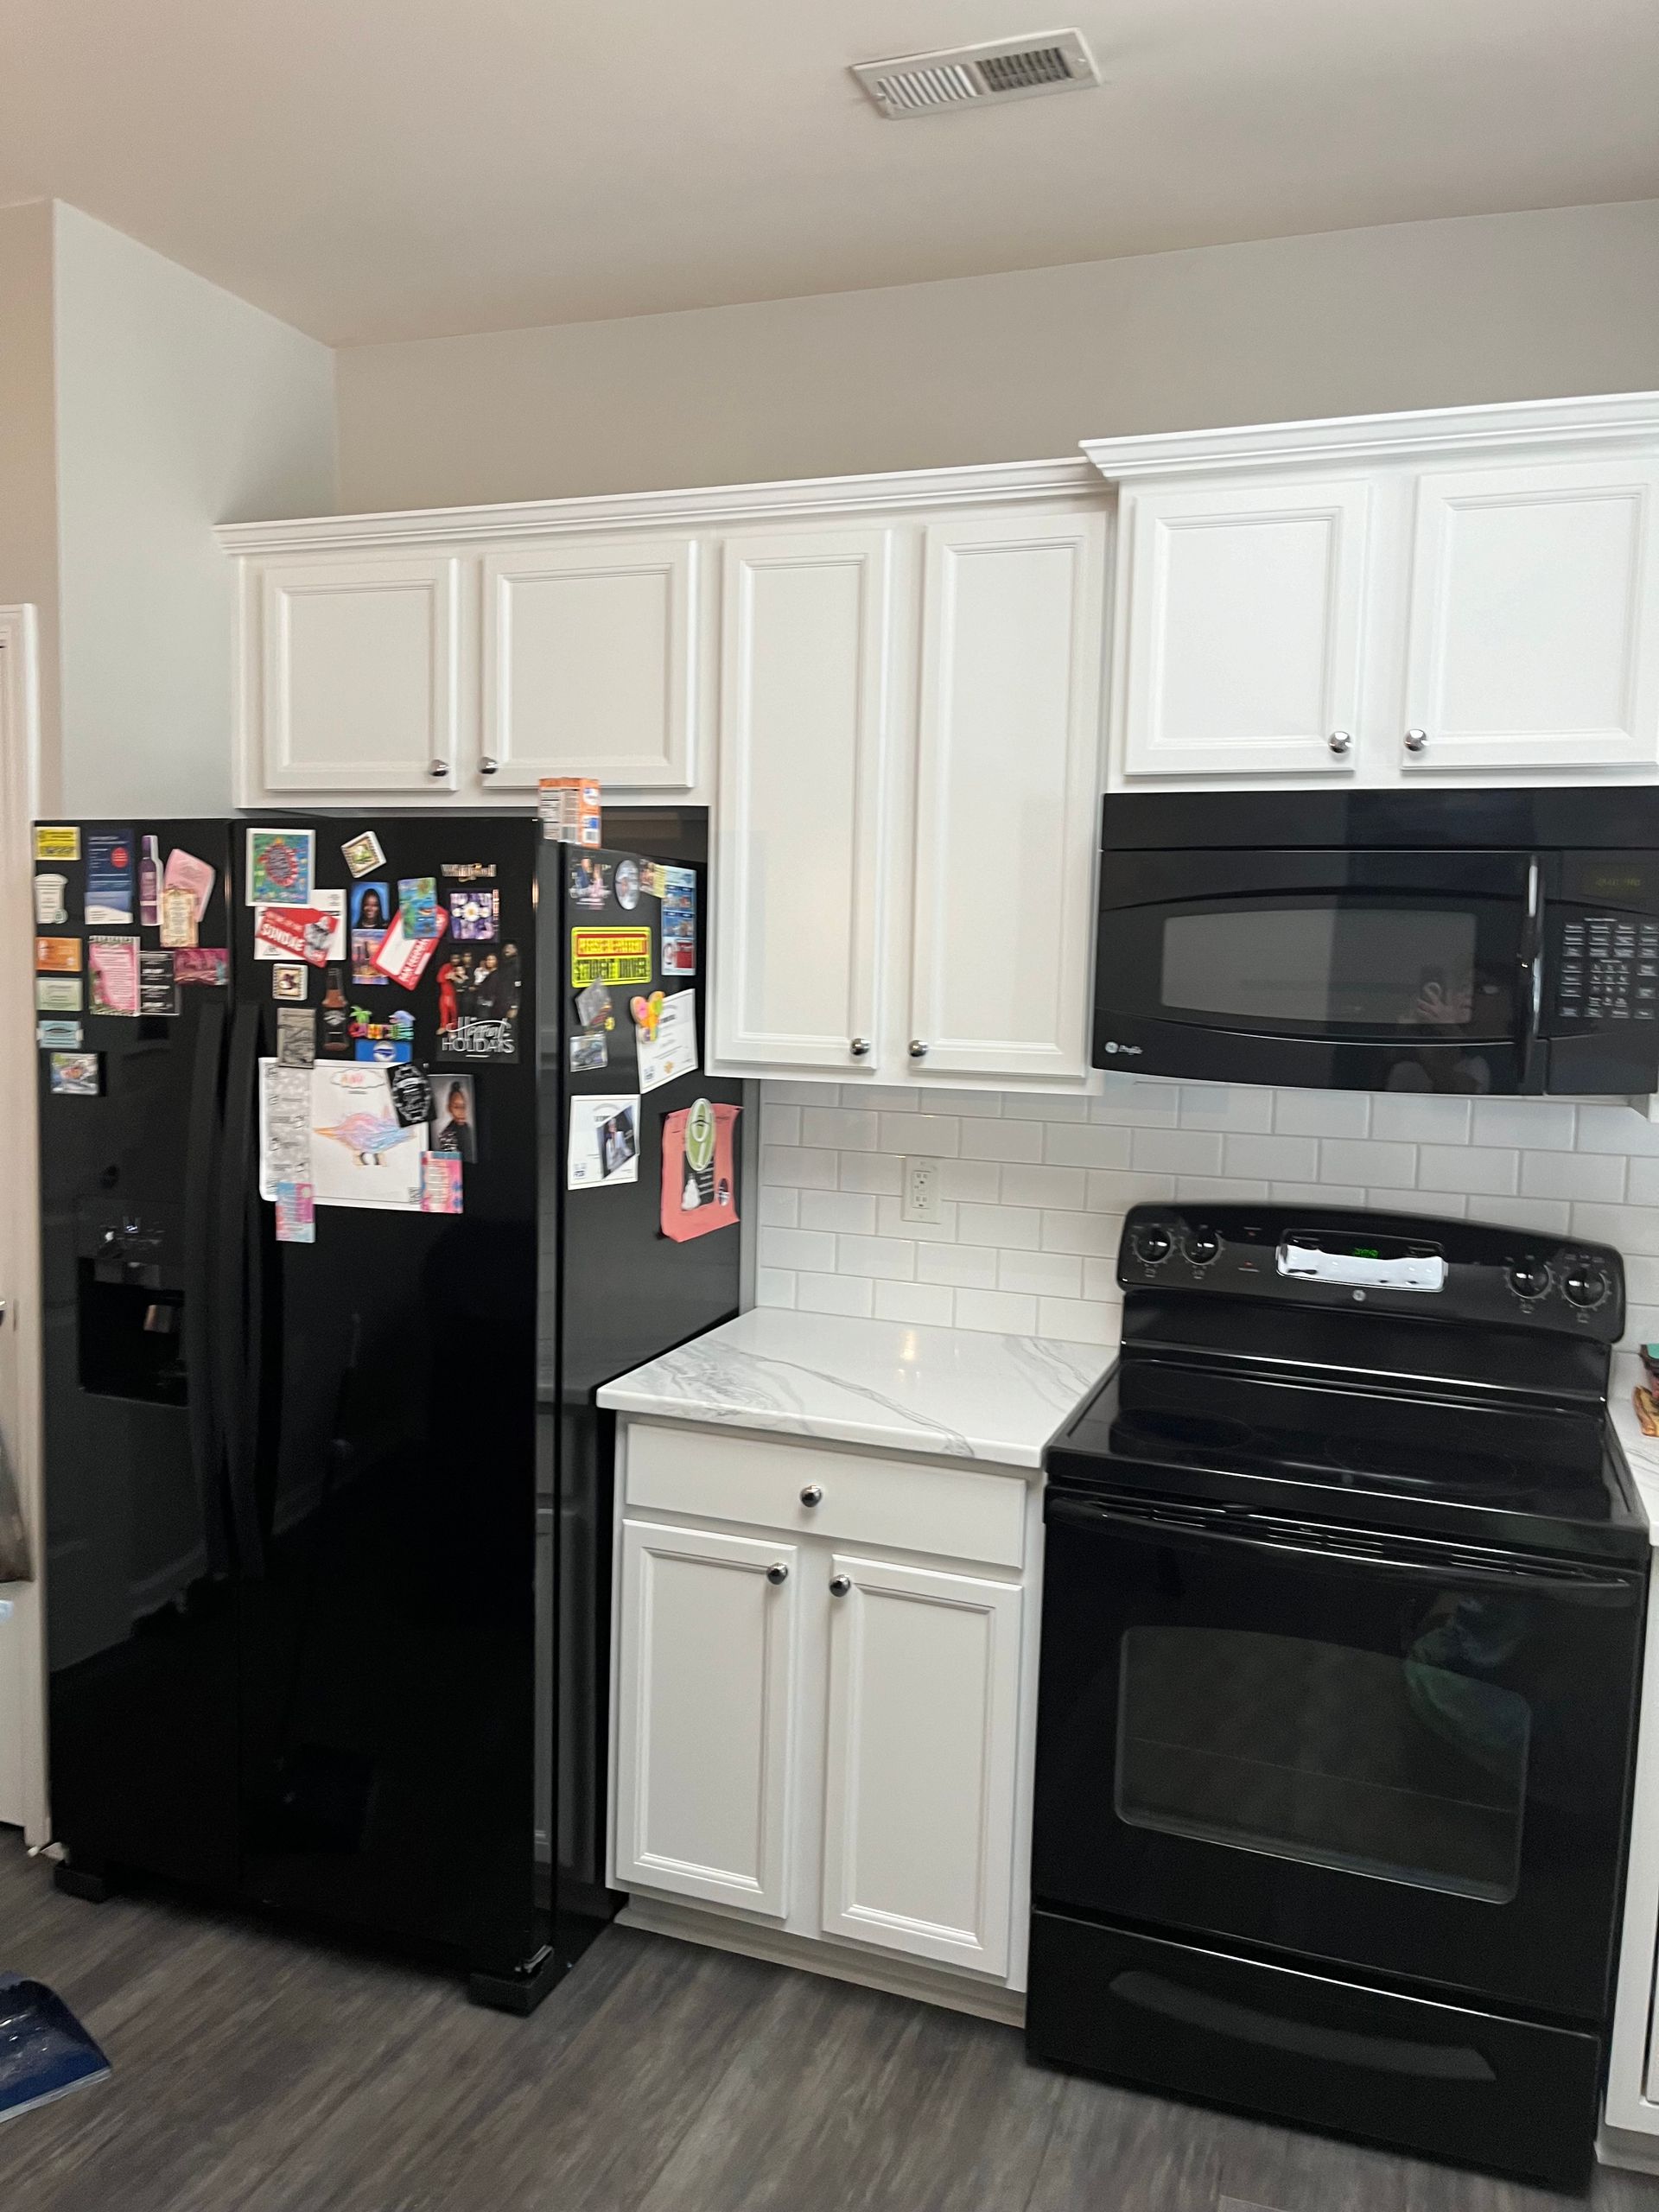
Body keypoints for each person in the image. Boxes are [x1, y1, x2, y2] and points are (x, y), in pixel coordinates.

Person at [433, 1080, 476, 1162]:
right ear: (449, 1108)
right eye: (456, 1107)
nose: (461, 1112)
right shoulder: (446, 1135)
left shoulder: (468, 1128)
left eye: (463, 1107)